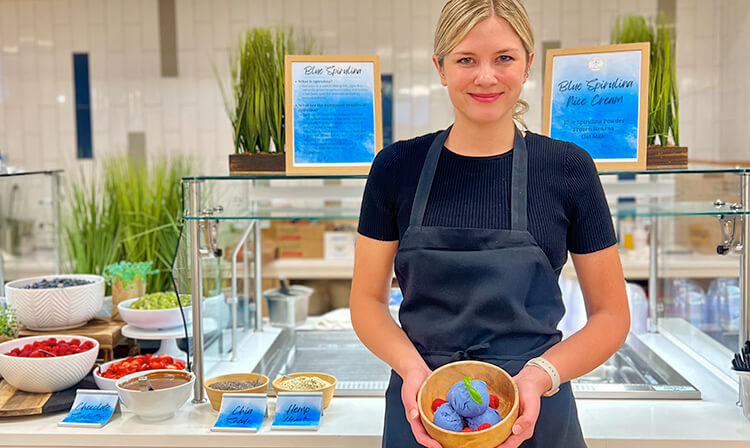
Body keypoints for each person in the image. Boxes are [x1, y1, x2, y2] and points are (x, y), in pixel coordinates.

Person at [350, 0, 630, 447]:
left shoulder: (568, 169)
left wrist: (541, 375)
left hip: (534, 408)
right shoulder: (396, 167)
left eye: (504, 58)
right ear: (441, 68)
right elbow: (366, 301)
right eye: (466, 59)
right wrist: (410, 370)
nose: (486, 76)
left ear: (527, 64)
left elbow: (612, 316)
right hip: (423, 404)